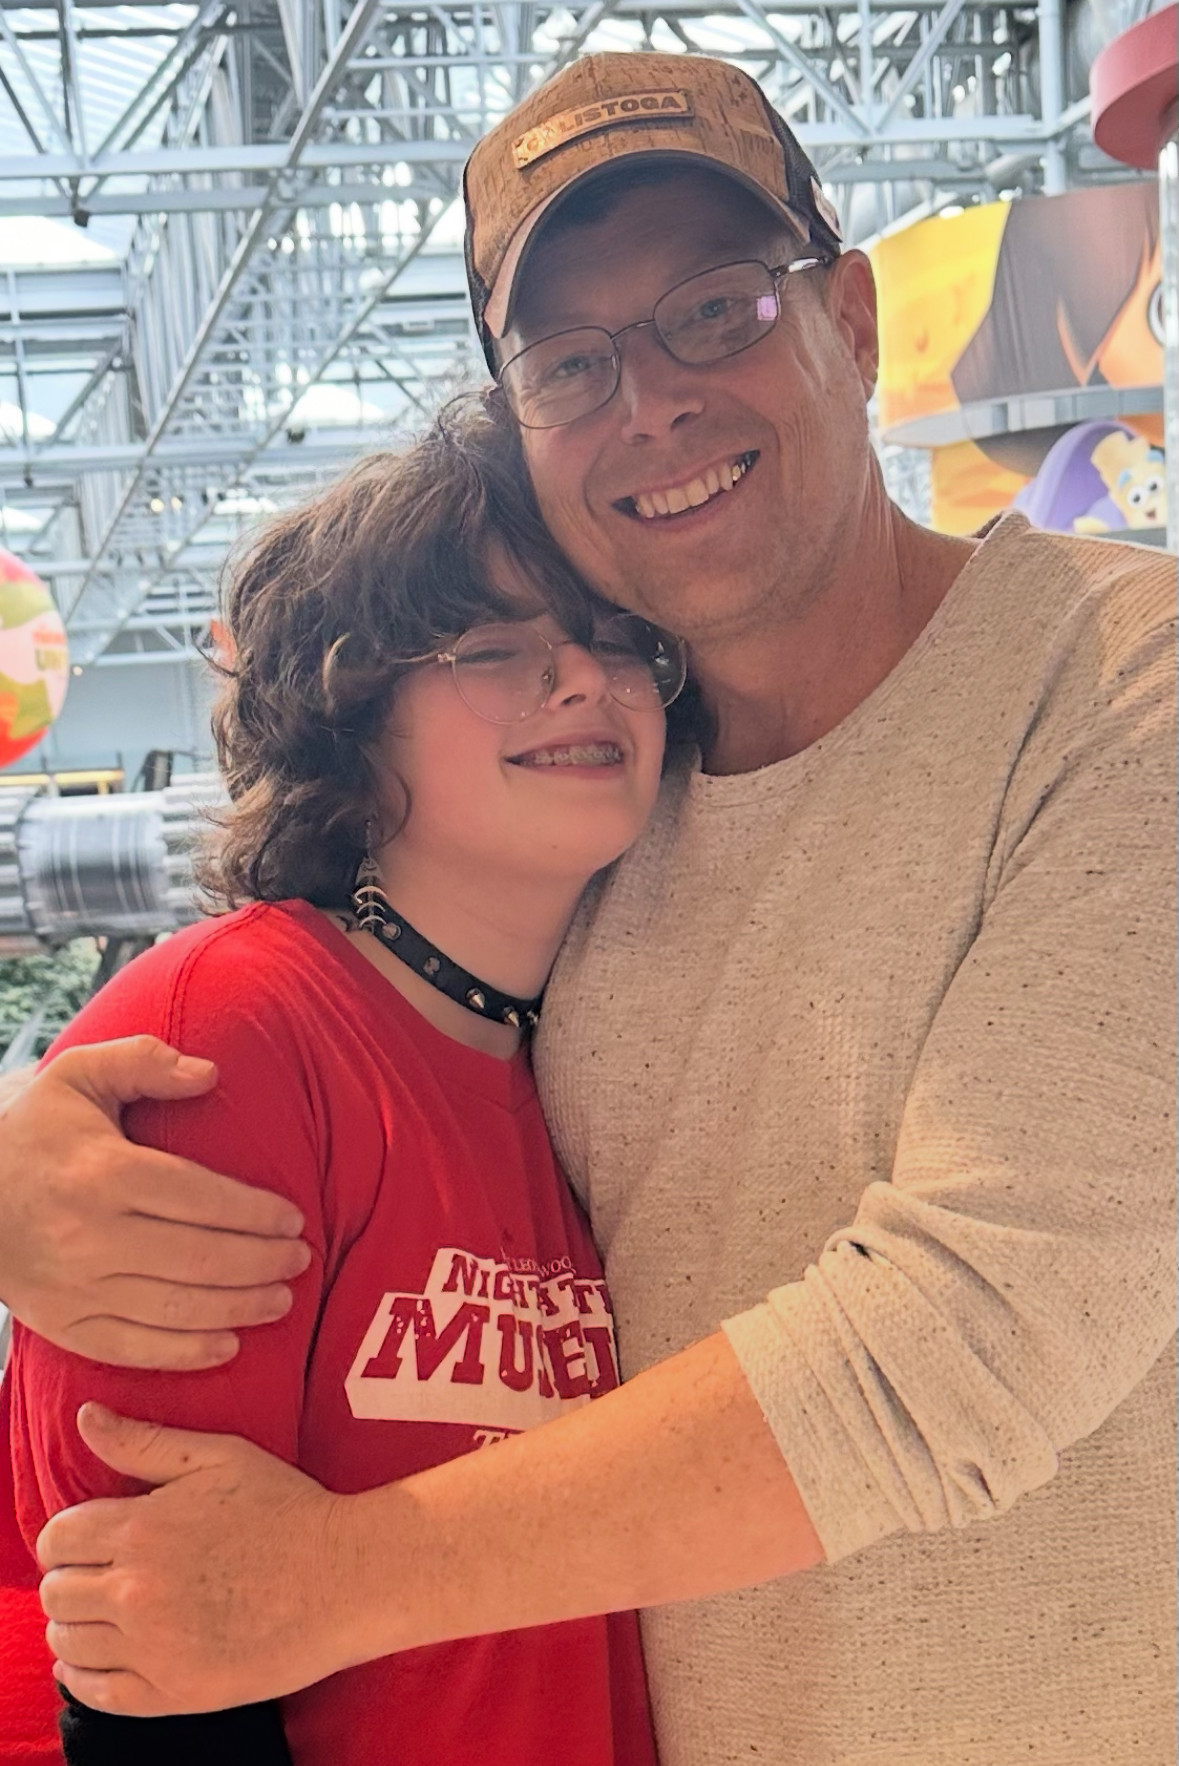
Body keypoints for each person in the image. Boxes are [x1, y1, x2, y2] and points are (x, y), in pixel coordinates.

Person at [2, 49, 1174, 1766]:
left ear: (851, 320)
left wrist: (335, 1579)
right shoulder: (617, 816)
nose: (654, 402)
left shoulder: (1122, 685)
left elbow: (980, 1330)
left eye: (718, 306)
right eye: (570, 361)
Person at [2, 401, 680, 1765]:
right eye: (495, 647)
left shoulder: (587, 1054)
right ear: (349, 714)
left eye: (615, 637)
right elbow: (150, 1649)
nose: (583, 681)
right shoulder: (226, 1038)